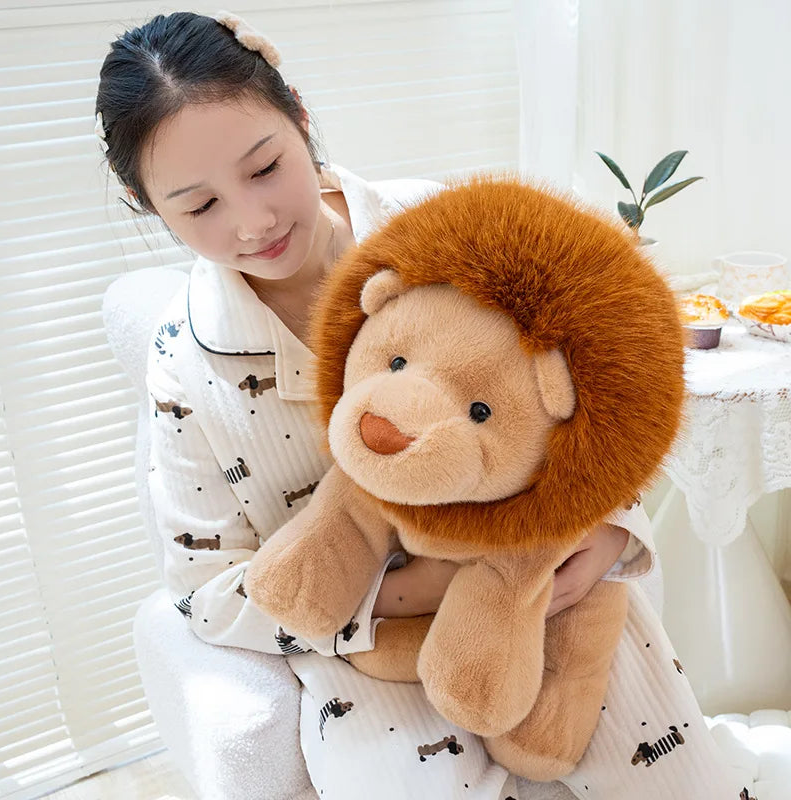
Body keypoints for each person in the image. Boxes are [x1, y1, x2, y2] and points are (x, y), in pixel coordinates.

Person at [95, 10, 739, 799]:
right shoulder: (185, 364)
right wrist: (415, 592)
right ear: (146, 204)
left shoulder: (443, 226)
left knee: (675, 780)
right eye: (199, 207)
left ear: (298, 113)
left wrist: (609, 529)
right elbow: (203, 591)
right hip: (368, 645)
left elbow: (606, 393)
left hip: (550, 585)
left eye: (264, 168)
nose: (252, 221)